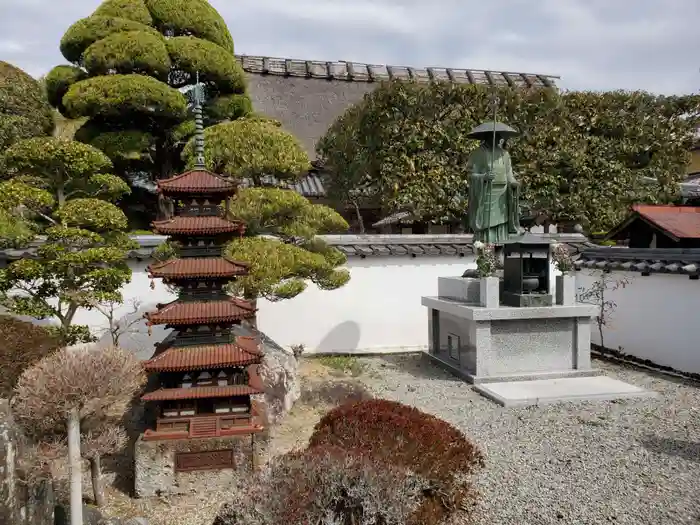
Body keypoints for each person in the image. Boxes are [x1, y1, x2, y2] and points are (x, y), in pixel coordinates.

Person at [465, 122, 521, 244]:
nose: (497, 139)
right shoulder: (478, 153)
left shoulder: (505, 154)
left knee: (502, 225)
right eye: (494, 136)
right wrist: (483, 177)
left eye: (499, 136)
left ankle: (501, 245)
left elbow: (509, 174)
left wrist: (514, 184)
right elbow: (471, 175)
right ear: (486, 137)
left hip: (503, 195)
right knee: (487, 224)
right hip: (486, 193)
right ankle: (486, 246)